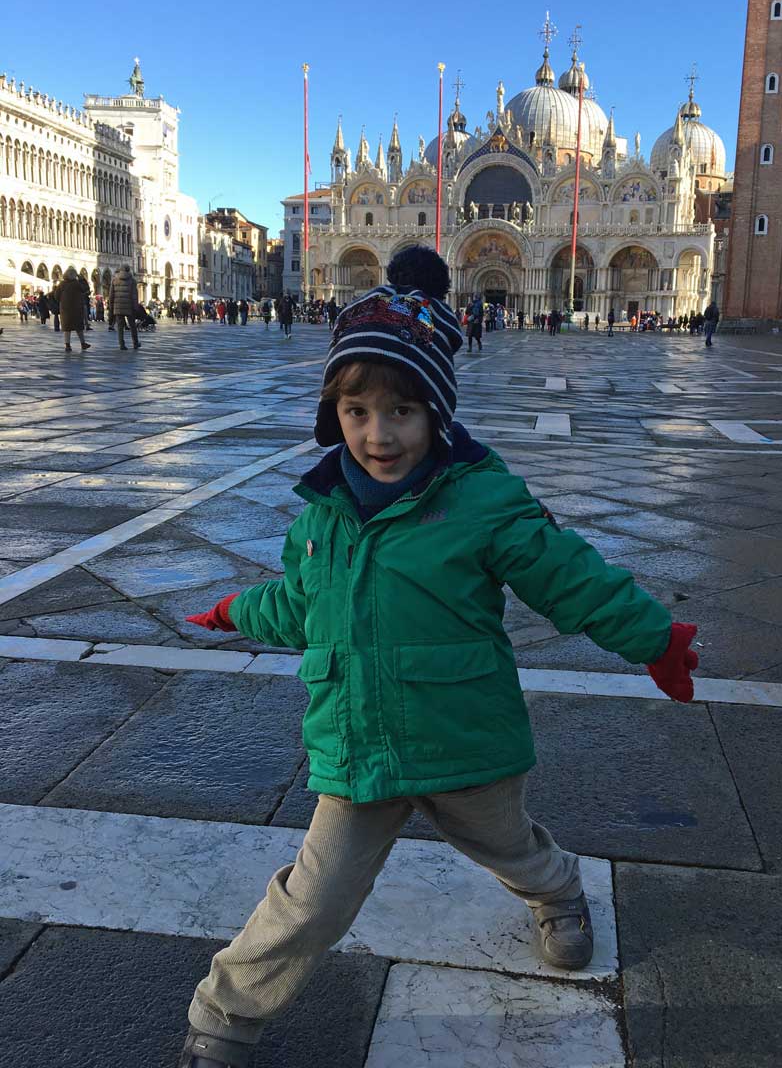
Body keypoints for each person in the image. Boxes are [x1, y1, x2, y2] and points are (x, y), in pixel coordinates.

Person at [179, 245, 699, 1068]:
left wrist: (651, 637)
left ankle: (558, 889)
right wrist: (233, 608)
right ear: (334, 417)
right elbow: (302, 604)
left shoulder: (483, 501)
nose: (378, 434)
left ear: (437, 413)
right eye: (357, 413)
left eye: (402, 412)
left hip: (465, 739)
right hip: (359, 748)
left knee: (511, 848)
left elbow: (572, 579)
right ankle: (222, 1020)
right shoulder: (321, 515)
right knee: (311, 900)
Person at [57, 267, 90, 353]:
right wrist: (82, 279)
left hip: (65, 309)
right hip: (76, 308)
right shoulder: (77, 283)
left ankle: (67, 346)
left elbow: (56, 295)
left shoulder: (62, 284)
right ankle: (83, 344)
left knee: (67, 328)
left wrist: (62, 301)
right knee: (79, 327)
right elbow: (86, 289)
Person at [108, 264, 141, 350]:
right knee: (132, 325)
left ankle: (121, 344)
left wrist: (111, 306)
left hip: (117, 307)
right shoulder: (132, 281)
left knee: (120, 326)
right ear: (128, 270)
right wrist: (135, 307)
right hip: (129, 306)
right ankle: (135, 343)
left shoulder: (114, 280)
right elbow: (134, 295)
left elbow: (111, 295)